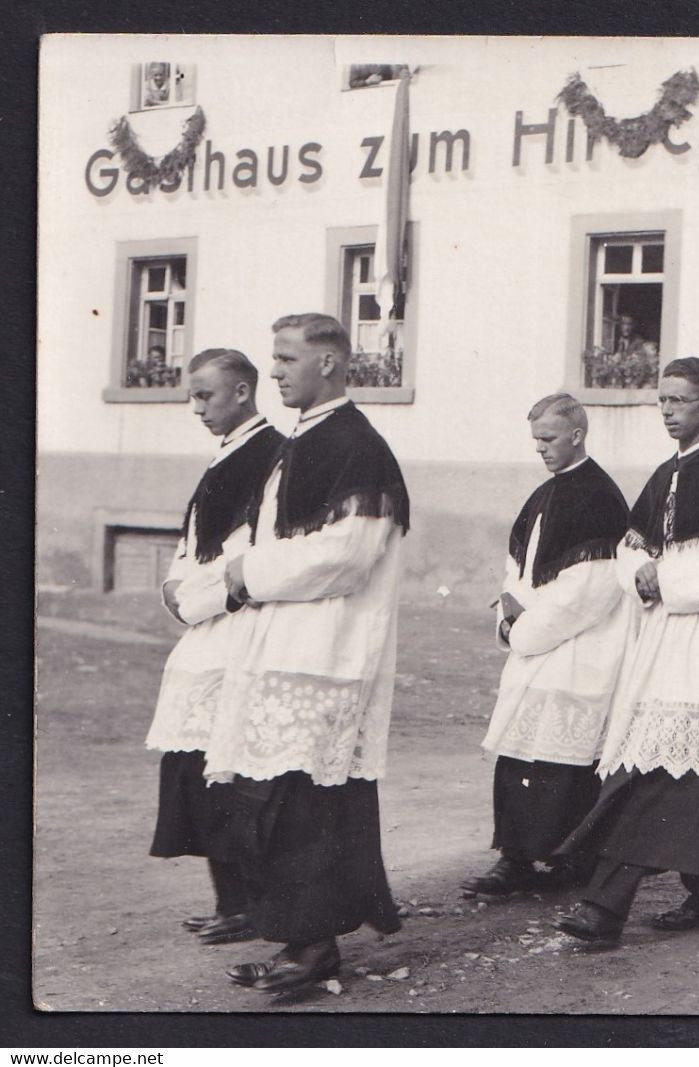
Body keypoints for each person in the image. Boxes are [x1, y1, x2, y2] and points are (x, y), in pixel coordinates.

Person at [210, 313, 410, 993]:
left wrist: (251, 573)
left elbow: (347, 554)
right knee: (277, 795)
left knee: (306, 803)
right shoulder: (300, 440)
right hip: (287, 642)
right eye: (273, 358)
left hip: (327, 651)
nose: (274, 372)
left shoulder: (356, 444)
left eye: (287, 358)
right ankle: (301, 936)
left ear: (329, 363)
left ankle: (313, 945)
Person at [553, 358, 699, 944]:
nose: (668, 411)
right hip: (663, 642)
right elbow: (630, 549)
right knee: (685, 773)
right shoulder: (662, 475)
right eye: (662, 401)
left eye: (679, 401)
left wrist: (668, 582)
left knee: (659, 775)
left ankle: (605, 909)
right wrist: (644, 574)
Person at [461, 395, 633, 898]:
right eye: (536, 439)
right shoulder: (544, 495)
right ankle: (514, 858)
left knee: (563, 765)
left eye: (549, 439)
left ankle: (567, 862)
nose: (541, 449)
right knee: (518, 757)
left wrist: (524, 629)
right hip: (537, 647)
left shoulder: (600, 498)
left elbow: (590, 592)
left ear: (577, 435)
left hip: (577, 651)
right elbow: (514, 574)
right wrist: (510, 614)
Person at [146, 349, 284, 947]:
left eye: (206, 395)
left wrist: (194, 601)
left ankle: (252, 905)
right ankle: (230, 902)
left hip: (238, 634)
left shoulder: (272, 455)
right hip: (204, 635)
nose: (196, 407)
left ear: (244, 391)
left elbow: (245, 556)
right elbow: (190, 547)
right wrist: (174, 589)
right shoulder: (225, 455)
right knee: (196, 771)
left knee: (228, 775)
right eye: (192, 396)